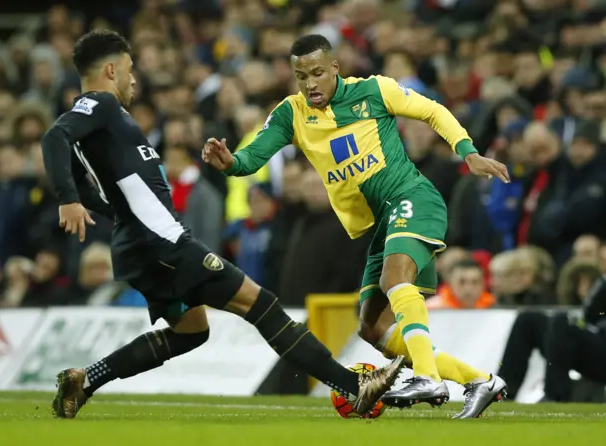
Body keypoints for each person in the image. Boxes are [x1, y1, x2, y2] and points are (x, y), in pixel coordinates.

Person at [41, 30, 404, 419]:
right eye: (129, 71)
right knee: (261, 304)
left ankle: (85, 379)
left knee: (192, 331)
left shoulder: (100, 122)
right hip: (162, 243)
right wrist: (69, 200)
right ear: (111, 69)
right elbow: (54, 137)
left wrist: (112, 213)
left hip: (141, 243)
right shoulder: (101, 105)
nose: (134, 80)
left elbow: (88, 179)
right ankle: (354, 388)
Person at [203, 34, 509, 419]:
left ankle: (429, 377)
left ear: (335, 68)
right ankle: (480, 380)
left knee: (394, 278)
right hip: (382, 222)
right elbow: (251, 159)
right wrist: (230, 162)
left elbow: (433, 111)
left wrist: (468, 152)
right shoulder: (291, 114)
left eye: (317, 73)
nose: (310, 83)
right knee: (372, 328)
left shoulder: (376, 91)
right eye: (301, 76)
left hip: (412, 196)